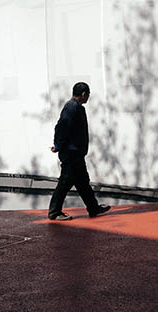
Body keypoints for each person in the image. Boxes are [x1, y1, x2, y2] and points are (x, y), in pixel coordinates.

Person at [47, 81, 111, 221]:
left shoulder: (77, 107)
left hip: (76, 153)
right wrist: (58, 145)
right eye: (88, 94)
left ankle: (93, 208)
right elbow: (61, 127)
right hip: (71, 153)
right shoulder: (71, 107)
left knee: (83, 182)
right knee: (65, 182)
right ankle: (54, 212)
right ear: (83, 94)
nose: (88, 97)